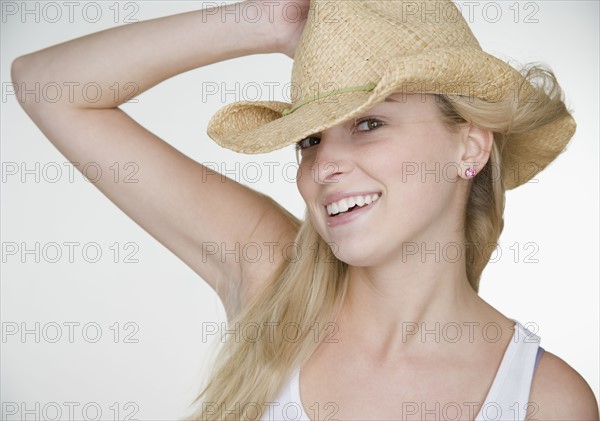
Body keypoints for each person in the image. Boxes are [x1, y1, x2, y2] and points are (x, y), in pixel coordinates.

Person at [11, 0, 598, 420]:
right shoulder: (273, 277)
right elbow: (46, 86)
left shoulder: (542, 399)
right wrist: (267, 21)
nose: (323, 165)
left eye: (369, 123)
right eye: (311, 138)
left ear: (468, 145)